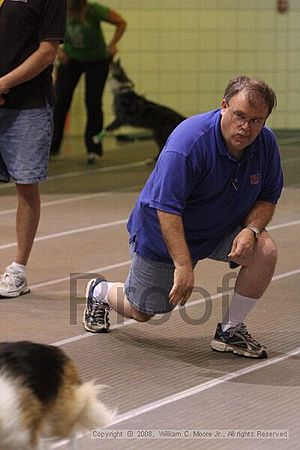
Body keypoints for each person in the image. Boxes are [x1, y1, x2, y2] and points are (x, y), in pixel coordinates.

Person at [82, 75, 283, 359]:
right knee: (144, 311)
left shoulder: (265, 143)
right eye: (239, 116)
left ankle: (230, 331)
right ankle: (99, 291)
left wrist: (251, 229)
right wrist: (183, 264)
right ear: (224, 105)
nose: (246, 127)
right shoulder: (188, 143)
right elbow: (167, 208)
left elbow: (268, 196)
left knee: (265, 250)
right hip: (163, 231)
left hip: (217, 227)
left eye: (256, 121)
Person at [0, 0, 66, 298]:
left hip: (28, 105)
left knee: (26, 184)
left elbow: (47, 52)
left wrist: (2, 84)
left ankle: (18, 269)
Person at [50, 0, 127, 163]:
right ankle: (52, 146)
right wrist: (58, 50)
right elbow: (45, 31)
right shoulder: (59, 10)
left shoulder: (94, 10)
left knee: (93, 102)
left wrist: (112, 44)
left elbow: (121, 22)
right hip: (70, 60)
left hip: (97, 60)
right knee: (61, 100)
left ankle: (93, 148)